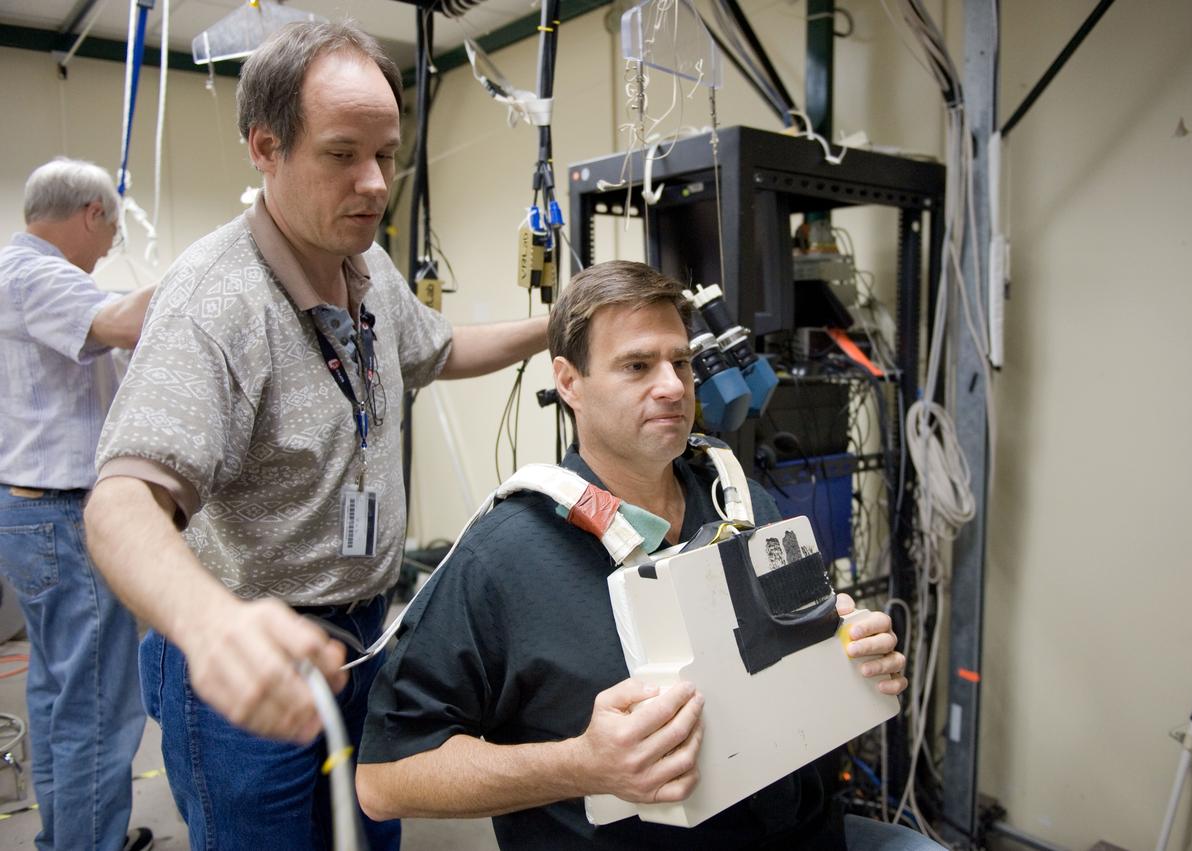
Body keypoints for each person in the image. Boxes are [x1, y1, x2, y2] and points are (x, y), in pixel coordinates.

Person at [82, 21, 548, 851]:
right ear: (266, 147)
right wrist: (211, 626)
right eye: (342, 154)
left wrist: (554, 327)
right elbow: (121, 500)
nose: (374, 184)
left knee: (365, 834)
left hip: (365, 638)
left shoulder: (365, 261)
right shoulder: (216, 301)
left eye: (387, 155)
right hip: (247, 660)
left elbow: (437, 351)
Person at [356, 260, 939, 850]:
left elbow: (808, 653)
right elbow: (385, 780)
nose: (673, 386)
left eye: (681, 362)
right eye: (637, 366)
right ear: (568, 382)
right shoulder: (502, 560)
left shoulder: (742, 501)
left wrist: (852, 656)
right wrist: (582, 764)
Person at [0, 158, 156, 851]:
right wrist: (217, 267)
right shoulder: (40, 275)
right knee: (98, 707)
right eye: (110, 232)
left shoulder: (14, 274)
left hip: (30, 512)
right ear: (92, 212)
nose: (104, 252)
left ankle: (64, 839)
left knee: (60, 694)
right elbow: (123, 321)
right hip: (66, 517)